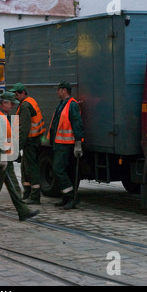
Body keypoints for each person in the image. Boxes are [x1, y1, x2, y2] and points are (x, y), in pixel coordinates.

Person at [0, 92, 39, 223]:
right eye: (11, 103)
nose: (13, 106)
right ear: (4, 103)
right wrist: (3, 156)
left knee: (13, 185)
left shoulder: (3, 116)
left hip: (4, 157)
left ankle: (23, 211)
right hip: (0, 158)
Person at [47, 81, 84, 210]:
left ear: (63, 90)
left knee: (58, 170)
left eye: (58, 90)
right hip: (59, 143)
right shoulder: (62, 105)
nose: (57, 92)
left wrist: (78, 144)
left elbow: (77, 124)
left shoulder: (71, 105)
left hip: (66, 144)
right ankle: (66, 197)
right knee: (65, 171)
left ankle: (71, 196)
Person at [10, 83, 46, 205]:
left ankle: (34, 196)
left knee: (31, 168)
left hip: (30, 141)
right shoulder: (28, 102)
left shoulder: (25, 106)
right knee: (25, 168)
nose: (16, 96)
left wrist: (17, 148)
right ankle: (27, 193)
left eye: (17, 94)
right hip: (32, 140)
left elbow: (24, 130)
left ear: (23, 93)